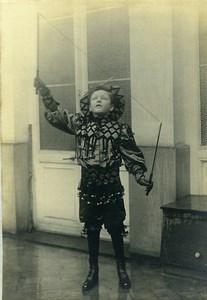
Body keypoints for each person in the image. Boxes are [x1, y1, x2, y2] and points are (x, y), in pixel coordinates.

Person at [34, 77, 153, 292]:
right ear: (88, 104)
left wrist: (141, 177)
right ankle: (93, 271)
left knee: (116, 229)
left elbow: (132, 158)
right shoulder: (79, 124)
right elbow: (59, 114)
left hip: (111, 187)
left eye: (104, 98)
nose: (98, 100)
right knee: (92, 229)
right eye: (94, 98)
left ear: (113, 105)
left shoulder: (120, 130)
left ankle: (121, 270)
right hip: (89, 187)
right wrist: (45, 93)